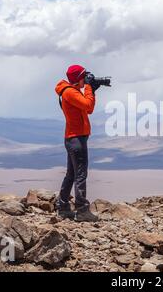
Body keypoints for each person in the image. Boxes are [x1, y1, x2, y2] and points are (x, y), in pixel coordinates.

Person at [54, 64, 100, 222]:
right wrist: (88, 87)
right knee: (80, 174)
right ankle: (81, 210)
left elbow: (88, 108)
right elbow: (88, 106)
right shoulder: (70, 93)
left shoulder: (71, 92)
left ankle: (63, 206)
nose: (86, 78)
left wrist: (91, 89)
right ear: (78, 78)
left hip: (74, 138)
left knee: (72, 174)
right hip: (76, 139)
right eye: (84, 76)